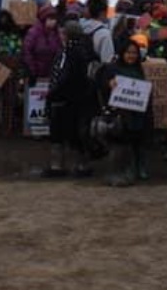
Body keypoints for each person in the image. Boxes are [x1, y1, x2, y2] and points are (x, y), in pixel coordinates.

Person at [42, 20, 97, 177]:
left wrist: (52, 93)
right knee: (76, 134)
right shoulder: (86, 50)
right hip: (81, 99)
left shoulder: (68, 52)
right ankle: (81, 165)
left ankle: (59, 166)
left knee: (59, 134)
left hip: (64, 99)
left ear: (66, 34)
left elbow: (62, 75)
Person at [97, 35, 152, 186]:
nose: (131, 56)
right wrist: (109, 84)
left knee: (137, 142)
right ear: (122, 53)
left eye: (134, 53)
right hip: (120, 114)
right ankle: (119, 172)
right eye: (128, 52)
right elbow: (100, 82)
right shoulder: (113, 68)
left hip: (137, 114)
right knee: (120, 144)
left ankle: (136, 168)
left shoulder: (138, 69)